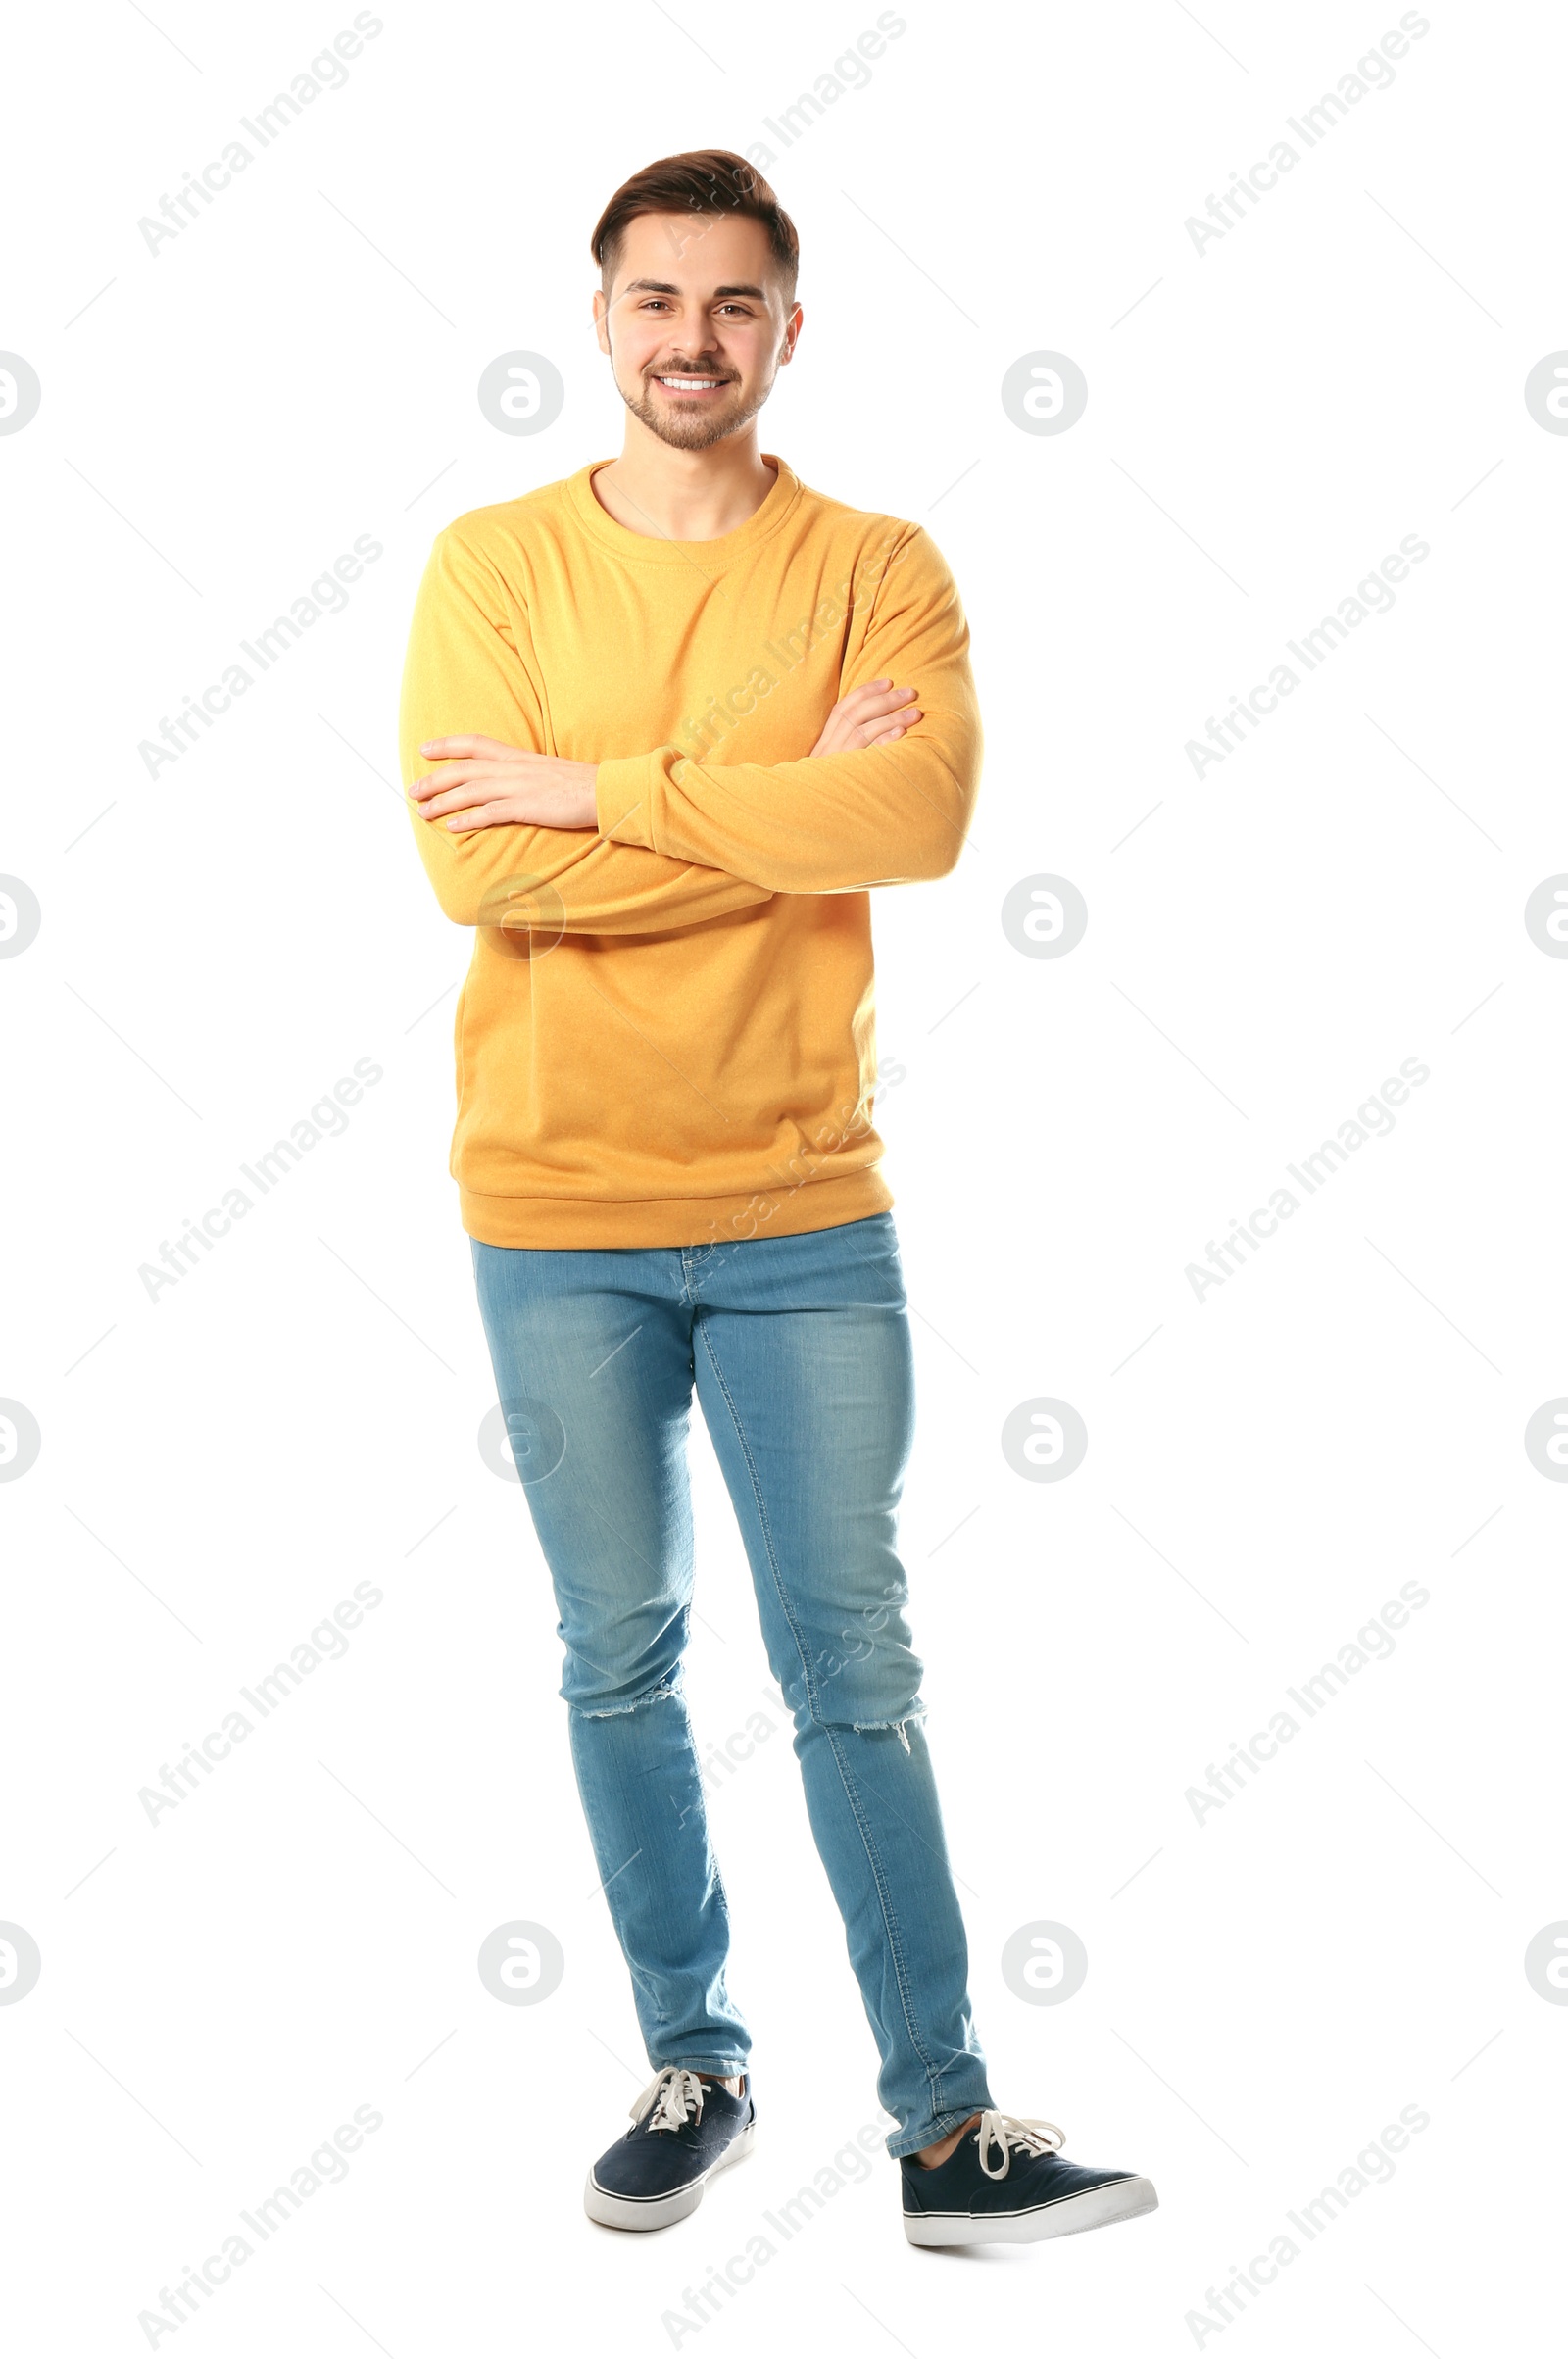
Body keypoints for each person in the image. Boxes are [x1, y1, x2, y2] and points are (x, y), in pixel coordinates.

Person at [399, 148, 1155, 2250]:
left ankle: (943, 2130)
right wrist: (769, 796)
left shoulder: (878, 561)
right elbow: (480, 868)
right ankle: (692, 2058)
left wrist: (608, 789)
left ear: (787, 330)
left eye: (733, 305)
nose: (689, 339)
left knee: (854, 1666)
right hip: (550, 1213)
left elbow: (909, 813)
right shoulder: (491, 567)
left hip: (807, 1212)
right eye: (656, 300)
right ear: (600, 316)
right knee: (614, 1652)